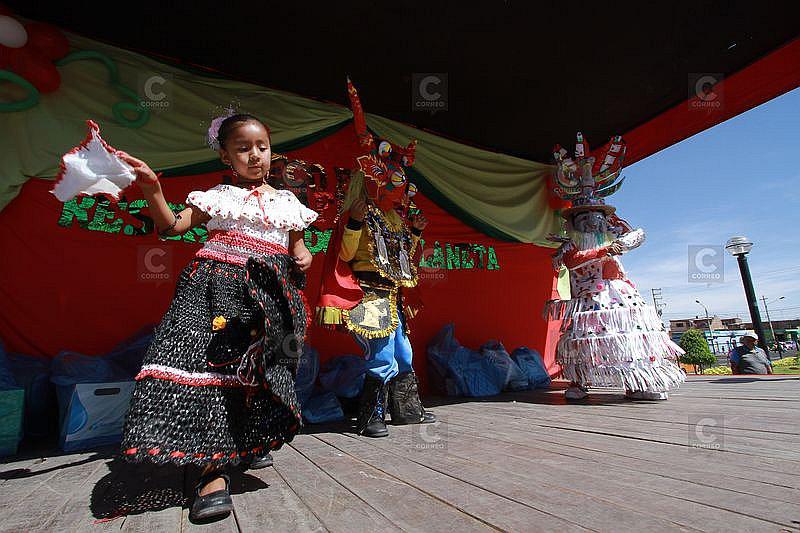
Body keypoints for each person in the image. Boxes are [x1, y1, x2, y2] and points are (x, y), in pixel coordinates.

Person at [118, 113, 318, 521]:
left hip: (267, 295)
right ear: (226, 155)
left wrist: (303, 255)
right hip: (213, 287)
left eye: (262, 146)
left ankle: (243, 444)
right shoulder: (216, 196)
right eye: (243, 148)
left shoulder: (287, 203)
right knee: (207, 371)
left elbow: (299, 247)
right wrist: (153, 190)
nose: (255, 155)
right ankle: (211, 473)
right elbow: (173, 226)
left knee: (255, 374)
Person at [315, 79, 435, 437]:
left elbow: (402, 262)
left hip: (392, 295)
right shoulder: (361, 214)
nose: (401, 192)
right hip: (368, 295)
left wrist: (413, 233)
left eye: (403, 187)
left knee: (404, 356)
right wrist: (352, 221)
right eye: (395, 185)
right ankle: (371, 416)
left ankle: (407, 410)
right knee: (381, 358)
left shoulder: (395, 219)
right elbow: (347, 255)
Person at [544, 133, 685, 401]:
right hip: (586, 301)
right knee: (582, 342)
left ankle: (636, 384)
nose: (591, 223)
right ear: (574, 222)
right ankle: (580, 383)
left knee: (629, 338)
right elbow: (572, 262)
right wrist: (603, 250)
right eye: (584, 218)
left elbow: (637, 235)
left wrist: (621, 241)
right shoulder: (571, 246)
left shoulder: (612, 236)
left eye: (597, 218)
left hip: (619, 297)